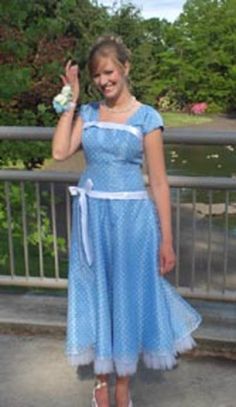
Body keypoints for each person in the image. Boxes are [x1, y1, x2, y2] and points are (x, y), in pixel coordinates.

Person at [52, 35, 202, 407]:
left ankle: (123, 383)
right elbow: (59, 152)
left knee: (129, 296)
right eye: (96, 76)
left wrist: (167, 240)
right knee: (98, 294)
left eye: (109, 72)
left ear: (124, 68)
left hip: (134, 222)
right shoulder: (86, 112)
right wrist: (70, 100)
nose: (103, 81)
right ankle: (102, 380)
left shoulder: (148, 118)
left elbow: (160, 182)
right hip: (92, 220)